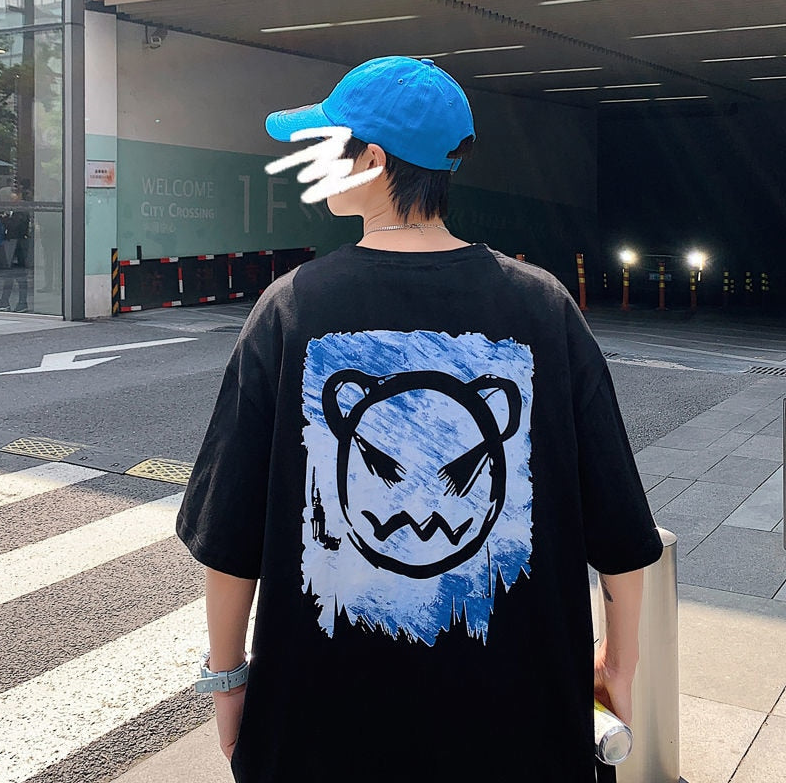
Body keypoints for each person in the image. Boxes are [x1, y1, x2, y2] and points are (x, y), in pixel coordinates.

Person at [176, 56, 663, 783]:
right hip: (520, 732)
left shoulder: (292, 309)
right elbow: (620, 531)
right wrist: (618, 668)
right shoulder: (544, 307)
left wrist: (228, 683)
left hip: (321, 733)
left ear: (373, 160)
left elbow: (229, 536)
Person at [0, 190, 30, 312]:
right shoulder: (13, 210)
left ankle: (21, 302)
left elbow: (15, 226)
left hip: (17, 244)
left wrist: (3, 218)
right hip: (12, 243)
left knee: (19, 276)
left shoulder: (21, 209)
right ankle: (5, 301)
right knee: (9, 275)